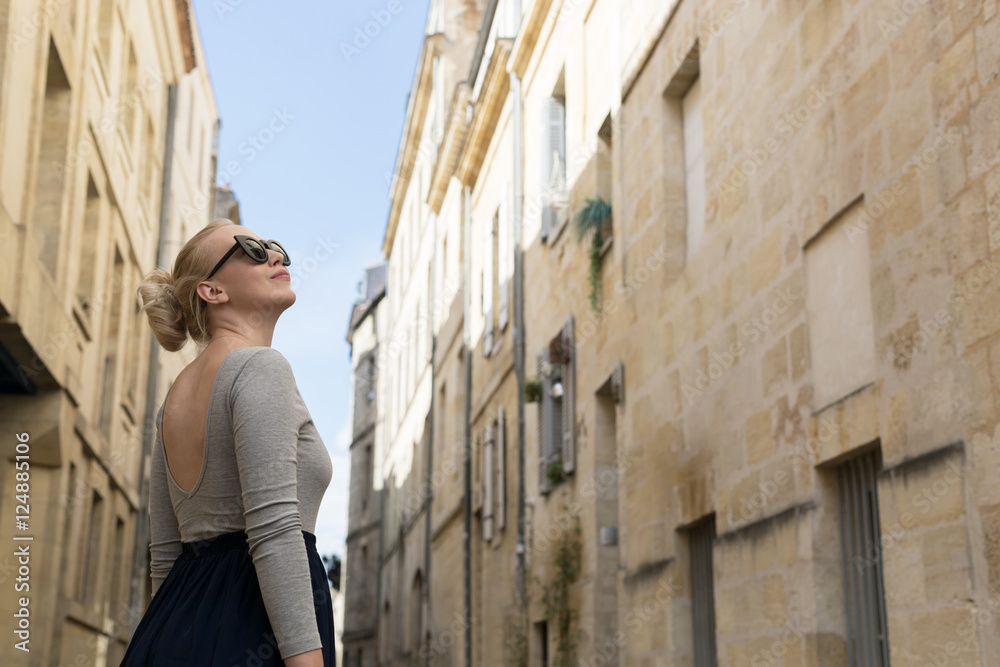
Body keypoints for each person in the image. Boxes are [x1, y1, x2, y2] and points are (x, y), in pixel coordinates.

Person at [121, 219, 335, 667]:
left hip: (172, 629)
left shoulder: (173, 400)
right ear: (212, 291)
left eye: (274, 246)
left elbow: (165, 555)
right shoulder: (260, 367)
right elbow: (275, 530)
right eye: (251, 250)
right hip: (252, 629)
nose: (275, 256)